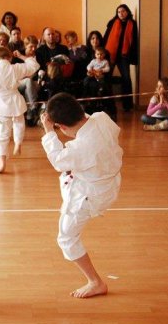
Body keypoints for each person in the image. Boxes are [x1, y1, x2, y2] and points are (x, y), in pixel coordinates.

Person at [40, 92, 122, 298]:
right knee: (71, 174)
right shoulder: (102, 117)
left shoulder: (80, 147)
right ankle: (94, 281)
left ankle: (95, 282)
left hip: (90, 195)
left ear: (63, 127)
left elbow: (59, 161)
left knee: (66, 237)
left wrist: (49, 131)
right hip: (109, 181)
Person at [103, 4, 138, 111]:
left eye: (123, 11)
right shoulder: (112, 22)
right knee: (106, 78)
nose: (121, 13)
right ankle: (107, 104)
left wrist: (133, 57)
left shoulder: (132, 24)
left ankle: (127, 105)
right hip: (111, 54)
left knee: (126, 79)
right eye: (118, 12)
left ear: (127, 12)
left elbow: (134, 41)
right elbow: (106, 38)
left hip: (124, 56)